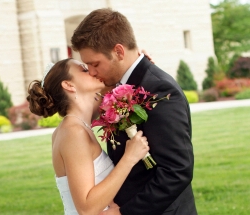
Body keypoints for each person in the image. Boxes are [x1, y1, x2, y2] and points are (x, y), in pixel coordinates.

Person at [71, 8, 197, 215]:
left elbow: (177, 171)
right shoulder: (115, 85)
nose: (92, 72)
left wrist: (125, 213)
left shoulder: (159, 90)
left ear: (119, 52)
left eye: (95, 64)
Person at [26, 59, 150, 215]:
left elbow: (114, 87)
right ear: (69, 85)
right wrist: (130, 158)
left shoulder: (78, 126)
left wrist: (137, 64)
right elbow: (86, 208)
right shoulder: (73, 133)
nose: (92, 71)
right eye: (84, 70)